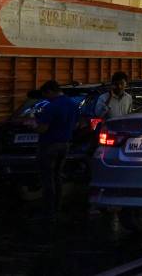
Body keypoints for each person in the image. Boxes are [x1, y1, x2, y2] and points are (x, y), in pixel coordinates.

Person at [34, 80, 80, 218]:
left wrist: (33, 127)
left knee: (47, 177)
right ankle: (58, 205)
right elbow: (76, 125)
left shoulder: (51, 107)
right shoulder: (73, 104)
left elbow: (43, 128)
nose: (46, 98)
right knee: (58, 175)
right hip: (65, 144)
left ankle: (49, 208)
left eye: (46, 95)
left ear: (50, 91)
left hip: (49, 145)